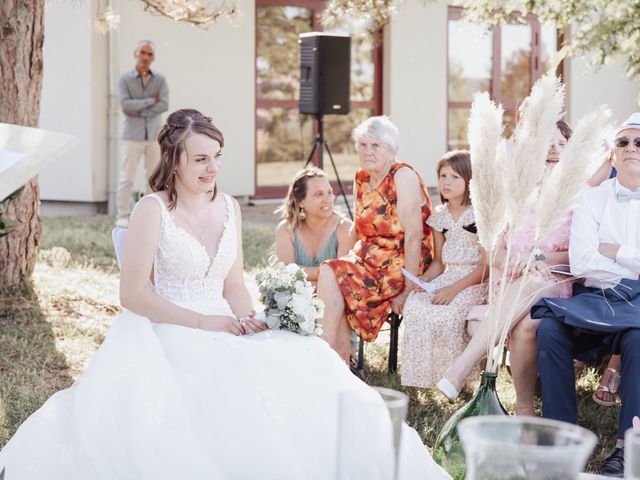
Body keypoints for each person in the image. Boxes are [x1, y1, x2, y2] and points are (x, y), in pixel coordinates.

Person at [0, 109, 449, 480]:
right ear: (173, 160)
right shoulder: (150, 210)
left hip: (224, 320)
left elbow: (233, 284)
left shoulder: (230, 207)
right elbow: (132, 293)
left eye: (216, 156)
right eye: (199, 159)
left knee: (301, 360)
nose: (212, 168)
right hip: (162, 326)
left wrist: (249, 316)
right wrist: (201, 322)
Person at [436, 120, 575, 413]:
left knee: (536, 283)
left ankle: (460, 369)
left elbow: (578, 256)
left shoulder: (580, 196)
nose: (553, 151)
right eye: (545, 145)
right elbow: (491, 253)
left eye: (561, 144)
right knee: (524, 325)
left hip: (555, 284)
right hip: (509, 286)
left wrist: (535, 261)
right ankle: (524, 409)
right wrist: (514, 260)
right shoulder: (513, 195)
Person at [534, 113, 640, 477]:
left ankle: (629, 449)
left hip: (638, 301)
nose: (631, 149)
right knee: (549, 329)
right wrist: (629, 259)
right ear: (612, 153)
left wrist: (615, 251)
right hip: (593, 297)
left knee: (638, 339)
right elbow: (581, 261)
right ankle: (560, 440)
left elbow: (600, 256)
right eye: (623, 142)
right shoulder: (592, 199)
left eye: (639, 142)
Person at [317, 116, 434, 363]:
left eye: (376, 145)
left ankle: (329, 360)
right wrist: (345, 259)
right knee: (332, 272)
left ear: (392, 150)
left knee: (333, 274)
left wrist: (408, 289)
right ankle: (339, 357)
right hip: (370, 257)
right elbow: (358, 227)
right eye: (362, 144)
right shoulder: (362, 176)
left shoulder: (403, 176)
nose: (367, 151)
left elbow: (414, 236)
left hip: (402, 263)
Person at [400, 151, 487, 388]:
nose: (446, 182)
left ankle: (457, 379)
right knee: (416, 306)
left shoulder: (481, 214)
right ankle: (424, 377)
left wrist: (453, 290)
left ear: (469, 180)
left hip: (474, 280)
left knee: (448, 314)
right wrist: (424, 280)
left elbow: (485, 267)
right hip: (449, 276)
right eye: (442, 176)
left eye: (455, 177)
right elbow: (439, 262)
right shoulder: (439, 216)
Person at [116, 39, 169, 228]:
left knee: (153, 176)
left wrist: (138, 108)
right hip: (132, 135)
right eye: (143, 52)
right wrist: (150, 101)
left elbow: (164, 104)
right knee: (126, 176)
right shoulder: (125, 80)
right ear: (136, 54)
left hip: (154, 135)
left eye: (150, 54)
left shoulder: (160, 80)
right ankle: (122, 214)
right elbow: (125, 105)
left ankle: (150, 214)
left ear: (153, 57)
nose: (146, 57)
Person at [274, 167, 354, 286]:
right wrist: (327, 274)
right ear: (301, 201)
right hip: (294, 303)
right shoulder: (286, 229)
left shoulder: (344, 228)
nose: (328, 200)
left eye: (330, 193)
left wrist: (301, 279)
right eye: (319, 194)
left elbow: (343, 276)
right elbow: (284, 274)